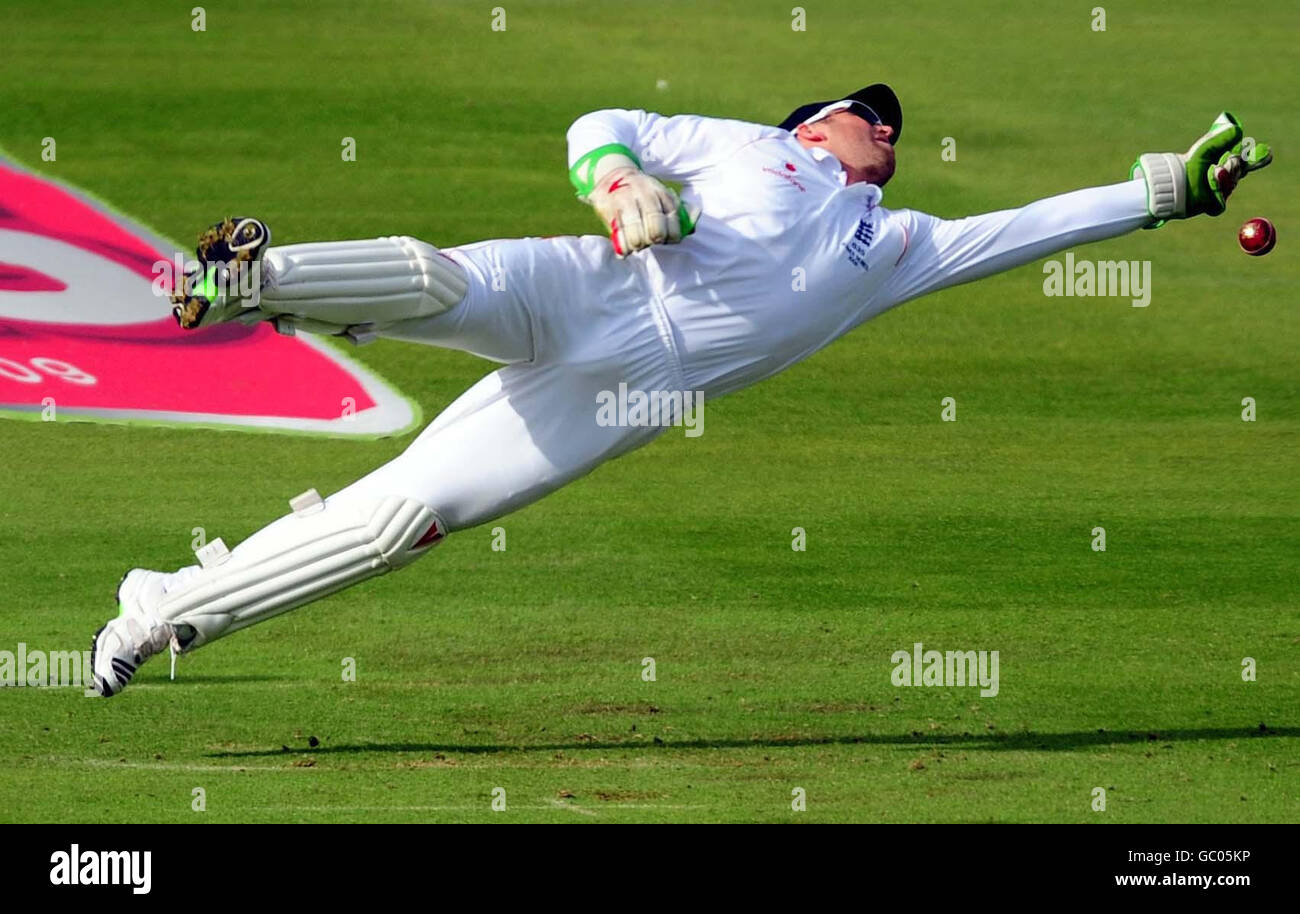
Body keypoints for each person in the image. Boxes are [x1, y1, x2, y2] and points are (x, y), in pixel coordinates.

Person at [90, 84, 1272, 696]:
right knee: (439, 281)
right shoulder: (749, 145)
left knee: (407, 516)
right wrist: (613, 179)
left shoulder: (900, 242)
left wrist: (1160, 190)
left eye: (897, 134)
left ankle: (164, 609)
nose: (888, 138)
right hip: (585, 285)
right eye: (872, 119)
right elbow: (605, 119)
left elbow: (1022, 228)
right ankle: (247, 274)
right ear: (817, 121)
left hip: (628, 392)